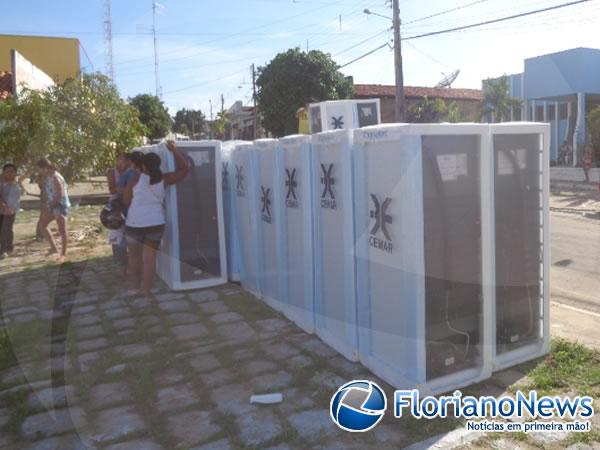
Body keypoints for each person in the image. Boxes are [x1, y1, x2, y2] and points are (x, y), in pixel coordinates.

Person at [123, 141, 189, 298]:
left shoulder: (135, 180)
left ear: (143, 166)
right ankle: (147, 291)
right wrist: (174, 151)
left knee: (134, 257)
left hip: (134, 223)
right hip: (155, 223)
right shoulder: (164, 179)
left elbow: (126, 201)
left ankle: (135, 288)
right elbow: (184, 169)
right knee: (149, 259)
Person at [106, 153, 136, 276]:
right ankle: (121, 266)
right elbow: (112, 189)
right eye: (120, 160)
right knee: (115, 235)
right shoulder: (112, 172)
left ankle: (130, 265)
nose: (123, 162)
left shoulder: (132, 172)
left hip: (131, 206)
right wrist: (128, 189)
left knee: (130, 235)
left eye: (125, 160)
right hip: (116, 206)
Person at [36, 158, 71, 262]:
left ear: (45, 168)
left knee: (62, 229)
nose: (38, 171)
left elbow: (60, 194)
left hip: (60, 205)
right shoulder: (47, 176)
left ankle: (63, 254)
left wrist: (51, 204)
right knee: (42, 225)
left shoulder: (55, 177)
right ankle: (54, 248)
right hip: (52, 205)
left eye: (39, 169)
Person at [0, 164, 26, 258]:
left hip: (12, 210)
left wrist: (19, 183)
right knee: (3, 229)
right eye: (7, 171)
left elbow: (23, 192)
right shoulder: (1, 183)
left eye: (12, 171)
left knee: (7, 229)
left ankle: (8, 248)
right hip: (3, 210)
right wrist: (4, 207)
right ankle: (3, 250)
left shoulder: (16, 182)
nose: (10, 173)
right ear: (4, 172)